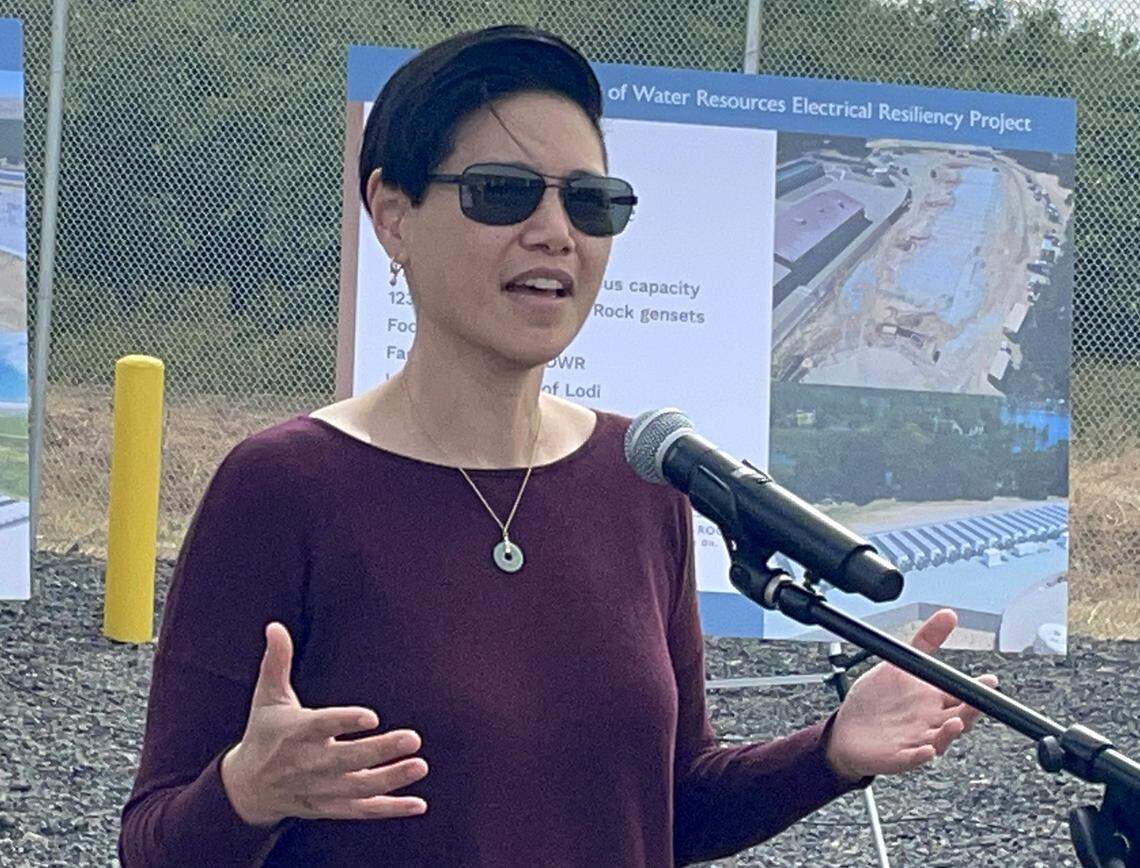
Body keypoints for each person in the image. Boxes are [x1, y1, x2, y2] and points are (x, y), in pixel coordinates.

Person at [118, 24, 997, 867]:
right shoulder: (284, 487)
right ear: (392, 214)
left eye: (590, 202)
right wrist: (246, 790)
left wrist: (833, 751)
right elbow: (152, 844)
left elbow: (674, 804)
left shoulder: (638, 479)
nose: (555, 232)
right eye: (502, 192)